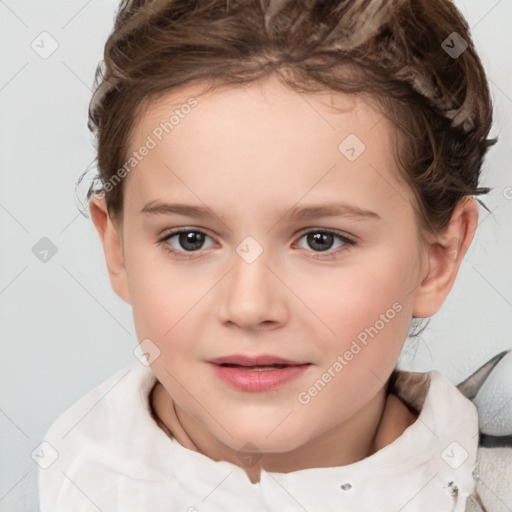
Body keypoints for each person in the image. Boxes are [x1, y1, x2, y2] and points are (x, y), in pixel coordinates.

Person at [37, 0, 511, 510]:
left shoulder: (490, 481)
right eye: (190, 239)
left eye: (321, 240)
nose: (248, 306)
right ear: (119, 250)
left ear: (439, 257)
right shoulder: (76, 472)